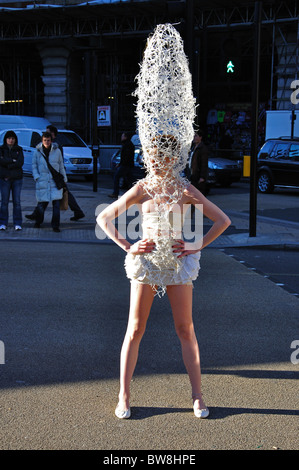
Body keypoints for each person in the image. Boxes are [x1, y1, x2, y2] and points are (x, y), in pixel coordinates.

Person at [97, 24, 231, 420]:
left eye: (163, 157)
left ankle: (198, 395)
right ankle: (123, 396)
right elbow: (105, 216)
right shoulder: (142, 187)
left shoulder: (186, 189)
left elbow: (221, 220)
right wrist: (127, 244)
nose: (157, 162)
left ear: (175, 158)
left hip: (178, 261)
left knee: (185, 329)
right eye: (152, 157)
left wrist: (195, 246)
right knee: (134, 329)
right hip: (148, 260)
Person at [26, 125, 85, 222]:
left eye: (48, 132)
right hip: (54, 176)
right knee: (61, 194)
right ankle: (77, 212)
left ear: (52, 134)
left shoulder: (56, 145)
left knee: (60, 194)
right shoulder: (54, 144)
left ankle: (37, 214)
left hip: (56, 176)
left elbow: (59, 162)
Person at [31, 131, 67, 232]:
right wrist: (37, 177)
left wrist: (64, 179)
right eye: (45, 140)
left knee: (56, 205)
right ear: (42, 141)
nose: (47, 142)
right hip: (42, 181)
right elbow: (34, 165)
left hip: (55, 181)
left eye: (48, 140)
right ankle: (38, 221)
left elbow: (61, 165)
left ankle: (55, 225)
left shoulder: (57, 151)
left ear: (51, 141)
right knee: (41, 205)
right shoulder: (37, 151)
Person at [0, 130, 24, 231]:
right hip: (4, 178)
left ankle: (17, 223)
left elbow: (20, 163)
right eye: (9, 138)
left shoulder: (19, 149)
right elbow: (1, 161)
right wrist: (12, 161)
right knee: (4, 202)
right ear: (5, 139)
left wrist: (8, 164)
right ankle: (2, 223)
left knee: (17, 202)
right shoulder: (1, 149)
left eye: (13, 139)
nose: (11, 140)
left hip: (16, 179)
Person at [109, 132, 135, 199]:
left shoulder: (127, 145)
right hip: (128, 165)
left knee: (116, 177)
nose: (121, 137)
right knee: (130, 180)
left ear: (125, 137)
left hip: (125, 165)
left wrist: (121, 164)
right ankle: (133, 194)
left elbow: (125, 157)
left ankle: (115, 193)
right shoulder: (129, 145)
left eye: (122, 136)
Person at [189, 131, 209, 196]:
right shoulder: (193, 147)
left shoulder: (202, 149)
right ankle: (191, 206)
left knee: (198, 195)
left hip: (197, 175)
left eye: (196, 136)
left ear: (200, 137)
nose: (194, 138)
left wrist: (202, 177)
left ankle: (198, 206)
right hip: (191, 174)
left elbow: (204, 164)